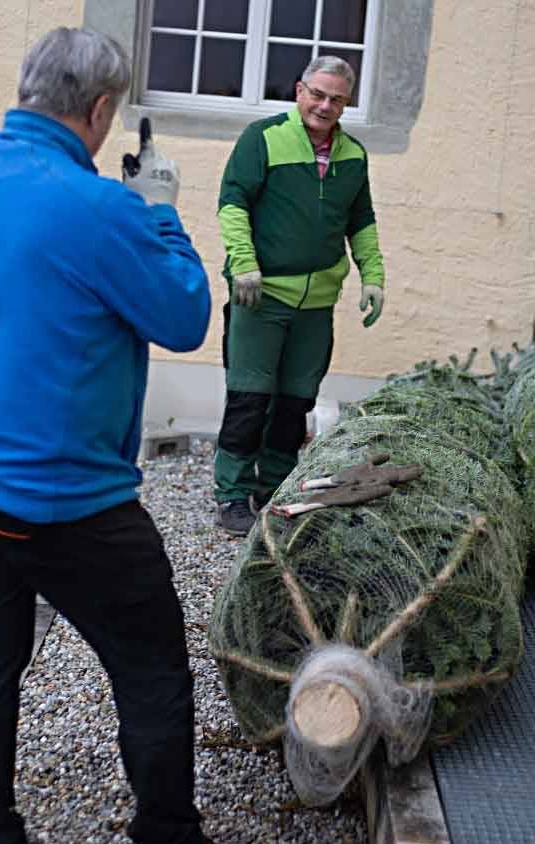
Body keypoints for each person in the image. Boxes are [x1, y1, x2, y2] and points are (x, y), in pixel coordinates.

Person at [0, 27, 273, 844]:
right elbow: (183, 317)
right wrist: (159, 212)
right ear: (101, 110)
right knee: (150, 668)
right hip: (65, 498)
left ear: (27, 88)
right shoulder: (102, 210)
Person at [213, 56, 386, 536]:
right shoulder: (263, 139)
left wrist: (373, 276)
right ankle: (231, 495)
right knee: (249, 397)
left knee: (295, 401)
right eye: (318, 94)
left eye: (337, 99)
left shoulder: (353, 156)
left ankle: (273, 488)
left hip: (316, 304)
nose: (325, 106)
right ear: (299, 91)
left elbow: (362, 222)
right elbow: (233, 204)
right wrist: (244, 264)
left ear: (346, 104)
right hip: (260, 296)